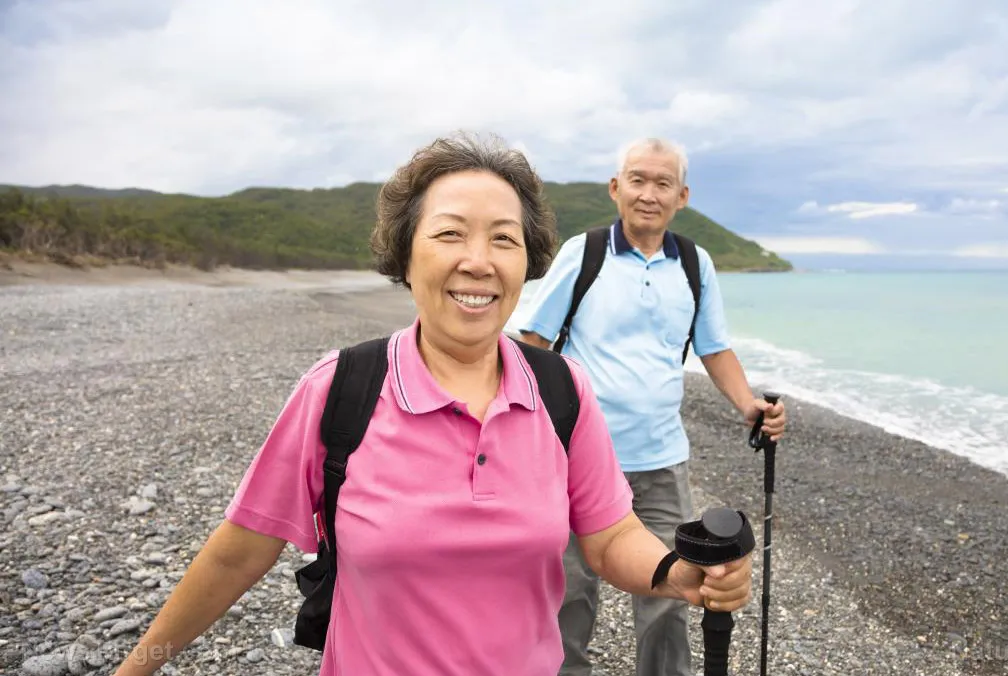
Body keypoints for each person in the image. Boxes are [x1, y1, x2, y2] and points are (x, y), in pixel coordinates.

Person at [111, 132, 753, 676]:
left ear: (526, 262)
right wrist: (140, 665)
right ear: (406, 253)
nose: (478, 262)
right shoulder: (341, 390)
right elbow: (239, 550)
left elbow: (610, 536)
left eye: (504, 239)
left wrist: (676, 573)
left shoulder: (561, 391)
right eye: (450, 234)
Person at [517, 137, 787, 676]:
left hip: (662, 460)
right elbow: (533, 342)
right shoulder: (584, 252)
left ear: (681, 195)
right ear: (616, 188)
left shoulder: (694, 262)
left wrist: (748, 405)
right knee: (570, 597)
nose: (649, 193)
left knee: (674, 591)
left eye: (662, 183)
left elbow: (713, 346)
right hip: (575, 461)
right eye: (637, 179)